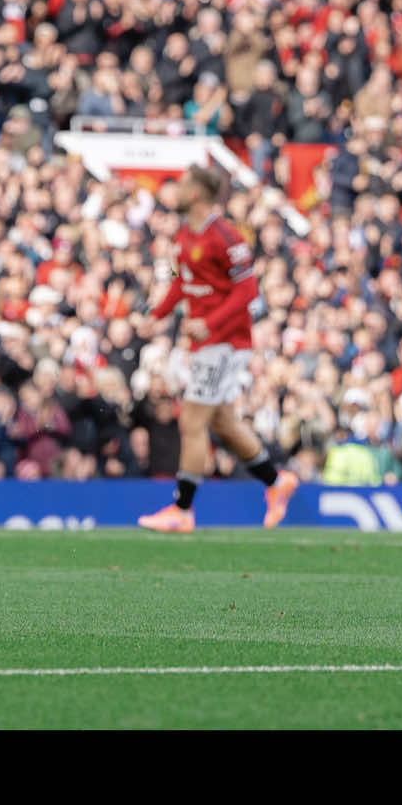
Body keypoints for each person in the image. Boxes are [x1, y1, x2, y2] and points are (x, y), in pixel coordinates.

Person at [136, 166, 298, 532]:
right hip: (206, 342)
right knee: (223, 423)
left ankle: (183, 509)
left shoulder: (226, 237)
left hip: (226, 342)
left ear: (195, 195)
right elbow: (181, 281)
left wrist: (210, 323)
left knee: (192, 420)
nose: (174, 193)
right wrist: (156, 315)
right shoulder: (183, 234)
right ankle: (276, 482)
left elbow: (247, 291)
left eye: (181, 187)